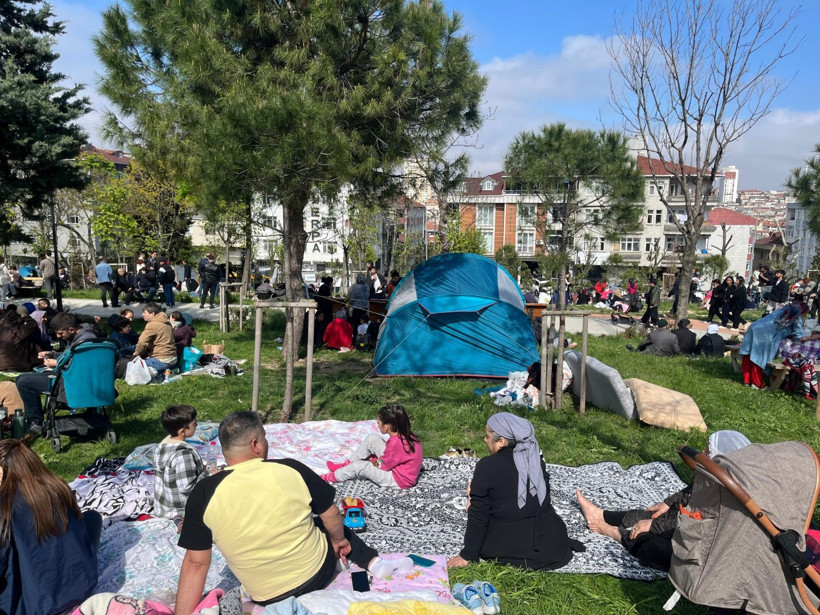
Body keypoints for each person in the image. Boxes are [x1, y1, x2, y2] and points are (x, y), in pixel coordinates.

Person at [174, 411, 409, 613]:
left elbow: (196, 564)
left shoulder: (203, 493)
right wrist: (338, 540)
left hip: (265, 595)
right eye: (265, 439)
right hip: (317, 574)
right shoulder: (290, 468)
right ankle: (373, 562)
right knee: (323, 522)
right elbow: (331, 514)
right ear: (256, 444)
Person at [576, 430, 750, 572]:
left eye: (708, 452)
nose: (703, 453)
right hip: (685, 522)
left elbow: (698, 528)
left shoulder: (728, 502)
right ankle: (600, 514)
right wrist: (668, 503)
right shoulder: (716, 480)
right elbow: (692, 489)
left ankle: (612, 532)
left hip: (699, 549)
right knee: (646, 515)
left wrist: (653, 526)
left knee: (653, 544)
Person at [448, 412, 580, 570]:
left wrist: (468, 553)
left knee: (478, 509)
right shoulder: (535, 460)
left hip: (515, 549)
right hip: (553, 544)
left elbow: (479, 514)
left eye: (487, 436)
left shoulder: (487, 466)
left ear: (501, 441)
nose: (485, 439)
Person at [0, 437, 101, 614]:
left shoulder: (5, 508)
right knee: (93, 518)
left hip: (32, 605)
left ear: (2, 471)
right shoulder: (57, 488)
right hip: (81, 585)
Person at [15, 313, 99, 433]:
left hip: (70, 381)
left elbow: (81, 366)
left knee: (24, 382)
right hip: (68, 376)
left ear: (71, 329)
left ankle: (35, 422)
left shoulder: (85, 341)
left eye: (60, 333)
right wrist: (51, 353)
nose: (58, 336)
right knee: (20, 378)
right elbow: (69, 356)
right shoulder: (80, 336)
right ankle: (34, 419)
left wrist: (57, 363)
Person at [321, 405, 422, 488]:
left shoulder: (396, 443)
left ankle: (332, 477)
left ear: (386, 427)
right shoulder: (405, 434)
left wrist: (373, 462)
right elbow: (392, 457)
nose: (377, 425)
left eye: (378, 423)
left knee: (360, 466)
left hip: (399, 479)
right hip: (398, 467)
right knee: (372, 438)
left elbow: (383, 465)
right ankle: (346, 464)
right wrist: (378, 460)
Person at [154, 405, 208, 526]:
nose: (197, 426)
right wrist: (207, 473)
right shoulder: (183, 454)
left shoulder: (163, 445)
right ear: (182, 431)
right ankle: (182, 519)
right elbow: (187, 487)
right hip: (180, 507)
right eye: (194, 424)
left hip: (163, 506)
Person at [739, 299, 805, 389]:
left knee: (748, 354)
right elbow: (799, 335)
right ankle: (757, 383)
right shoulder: (797, 317)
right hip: (766, 334)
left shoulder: (784, 309)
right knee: (758, 358)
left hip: (755, 326)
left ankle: (747, 380)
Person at [134, 302, 178, 373]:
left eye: (145, 313)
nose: (143, 314)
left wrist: (136, 354)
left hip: (162, 360)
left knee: (134, 366)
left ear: (152, 314)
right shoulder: (167, 322)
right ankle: (170, 370)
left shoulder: (152, 325)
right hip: (173, 359)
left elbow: (142, 343)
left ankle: (161, 371)